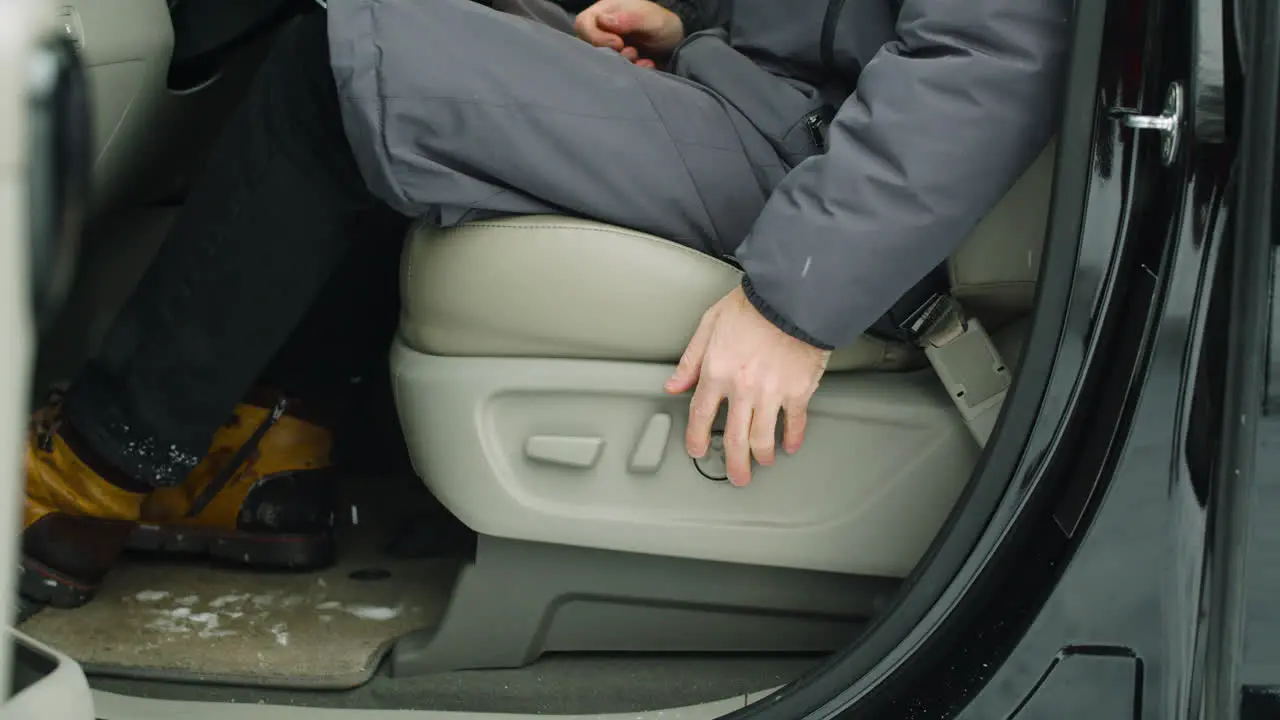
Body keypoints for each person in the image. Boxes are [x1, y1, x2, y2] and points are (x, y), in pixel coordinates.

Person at [19, 0, 1070, 613]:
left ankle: (95, 473)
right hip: (779, 114)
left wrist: (794, 301)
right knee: (396, 40)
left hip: (817, 171)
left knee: (341, 64)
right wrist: (692, 27)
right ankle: (264, 456)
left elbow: (986, 60)